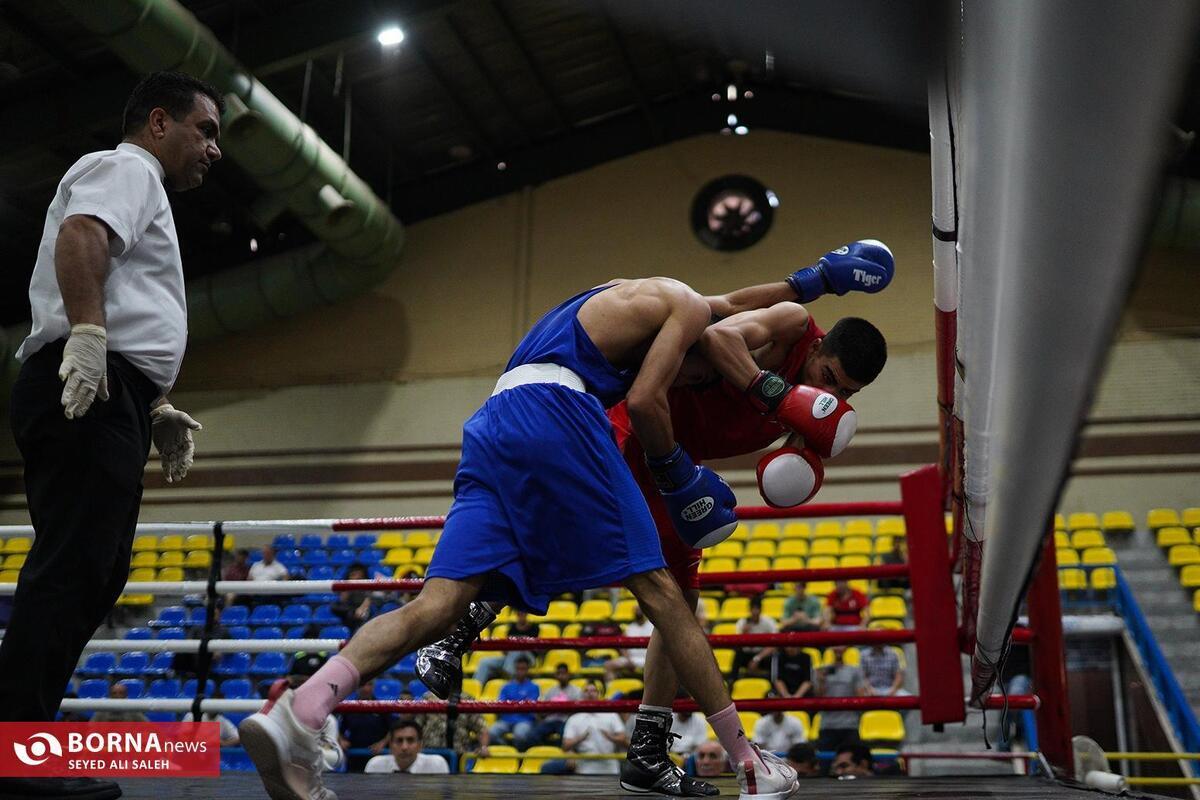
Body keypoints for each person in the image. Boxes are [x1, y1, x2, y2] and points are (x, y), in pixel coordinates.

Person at [240, 275, 867, 800]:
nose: (698, 380)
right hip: (560, 412)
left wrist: (812, 281)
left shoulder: (629, 299)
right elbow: (647, 397)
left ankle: (303, 710)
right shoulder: (683, 306)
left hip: (494, 420)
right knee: (665, 593)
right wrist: (680, 474)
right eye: (699, 372)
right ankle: (748, 763)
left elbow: (729, 310)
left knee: (435, 604)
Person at [416, 245, 891, 797]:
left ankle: (647, 748)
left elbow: (787, 468)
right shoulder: (790, 326)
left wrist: (805, 453)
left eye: (845, 392)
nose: (830, 393)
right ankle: (458, 628)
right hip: (635, 424)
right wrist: (777, 389)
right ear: (820, 347)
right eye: (828, 376)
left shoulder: (820, 405)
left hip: (681, 470)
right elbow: (719, 333)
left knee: (680, 600)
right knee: (564, 526)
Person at [0, 70, 222, 800]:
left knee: (94, 569)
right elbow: (82, 234)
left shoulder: (142, 185)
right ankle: (14, 758)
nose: (214, 149)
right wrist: (91, 339)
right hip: (88, 380)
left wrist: (149, 403)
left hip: (111, 391)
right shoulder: (128, 168)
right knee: (75, 566)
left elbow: (128, 304)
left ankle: (20, 750)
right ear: (159, 122)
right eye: (205, 130)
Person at [560, 681, 629, 775]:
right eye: (586, 691)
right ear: (582, 695)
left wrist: (611, 737)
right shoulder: (574, 718)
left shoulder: (611, 715)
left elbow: (623, 738)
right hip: (584, 768)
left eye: (593, 690)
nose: (590, 693)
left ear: (599, 694)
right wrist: (580, 738)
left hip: (610, 767)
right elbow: (565, 745)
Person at [814, 646, 869, 752]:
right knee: (826, 760)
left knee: (852, 759)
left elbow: (861, 696)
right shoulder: (821, 670)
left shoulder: (855, 670)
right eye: (836, 645)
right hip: (827, 724)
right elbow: (818, 697)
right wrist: (821, 681)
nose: (838, 649)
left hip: (850, 724)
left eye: (841, 646)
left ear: (846, 649)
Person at [337, 680, 392, 773]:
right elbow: (339, 731)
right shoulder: (349, 707)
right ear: (357, 687)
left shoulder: (382, 706)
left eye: (369, 684)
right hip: (354, 758)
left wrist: (382, 743)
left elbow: (393, 730)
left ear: (373, 686)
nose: (366, 688)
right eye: (362, 684)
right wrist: (342, 740)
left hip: (377, 757)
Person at [363, 718, 450, 775]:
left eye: (410, 740)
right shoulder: (375, 766)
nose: (404, 747)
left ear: (420, 745)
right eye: (399, 740)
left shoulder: (437, 765)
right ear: (390, 745)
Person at [489, 656, 540, 749]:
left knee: (520, 735)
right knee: (491, 733)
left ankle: (519, 755)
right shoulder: (506, 687)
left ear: (527, 670)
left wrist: (512, 704)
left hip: (524, 720)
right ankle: (507, 749)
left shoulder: (533, 687)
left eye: (523, 669)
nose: (520, 672)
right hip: (506, 720)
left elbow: (529, 705)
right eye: (518, 669)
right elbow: (501, 704)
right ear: (515, 669)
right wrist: (520, 703)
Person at [603, 604, 653, 681]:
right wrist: (628, 660)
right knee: (608, 665)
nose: (638, 612)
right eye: (636, 610)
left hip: (649, 659)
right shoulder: (630, 628)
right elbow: (623, 647)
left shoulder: (652, 626)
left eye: (639, 610)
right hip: (631, 659)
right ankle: (612, 687)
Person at [733, 595, 778, 679]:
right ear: (749, 610)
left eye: (757, 609)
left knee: (774, 658)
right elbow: (736, 645)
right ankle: (732, 680)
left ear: (761, 610)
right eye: (753, 609)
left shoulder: (769, 622)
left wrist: (757, 658)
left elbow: (774, 645)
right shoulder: (742, 623)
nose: (754, 612)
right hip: (746, 654)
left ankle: (772, 682)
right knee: (737, 655)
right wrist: (743, 633)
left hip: (762, 655)